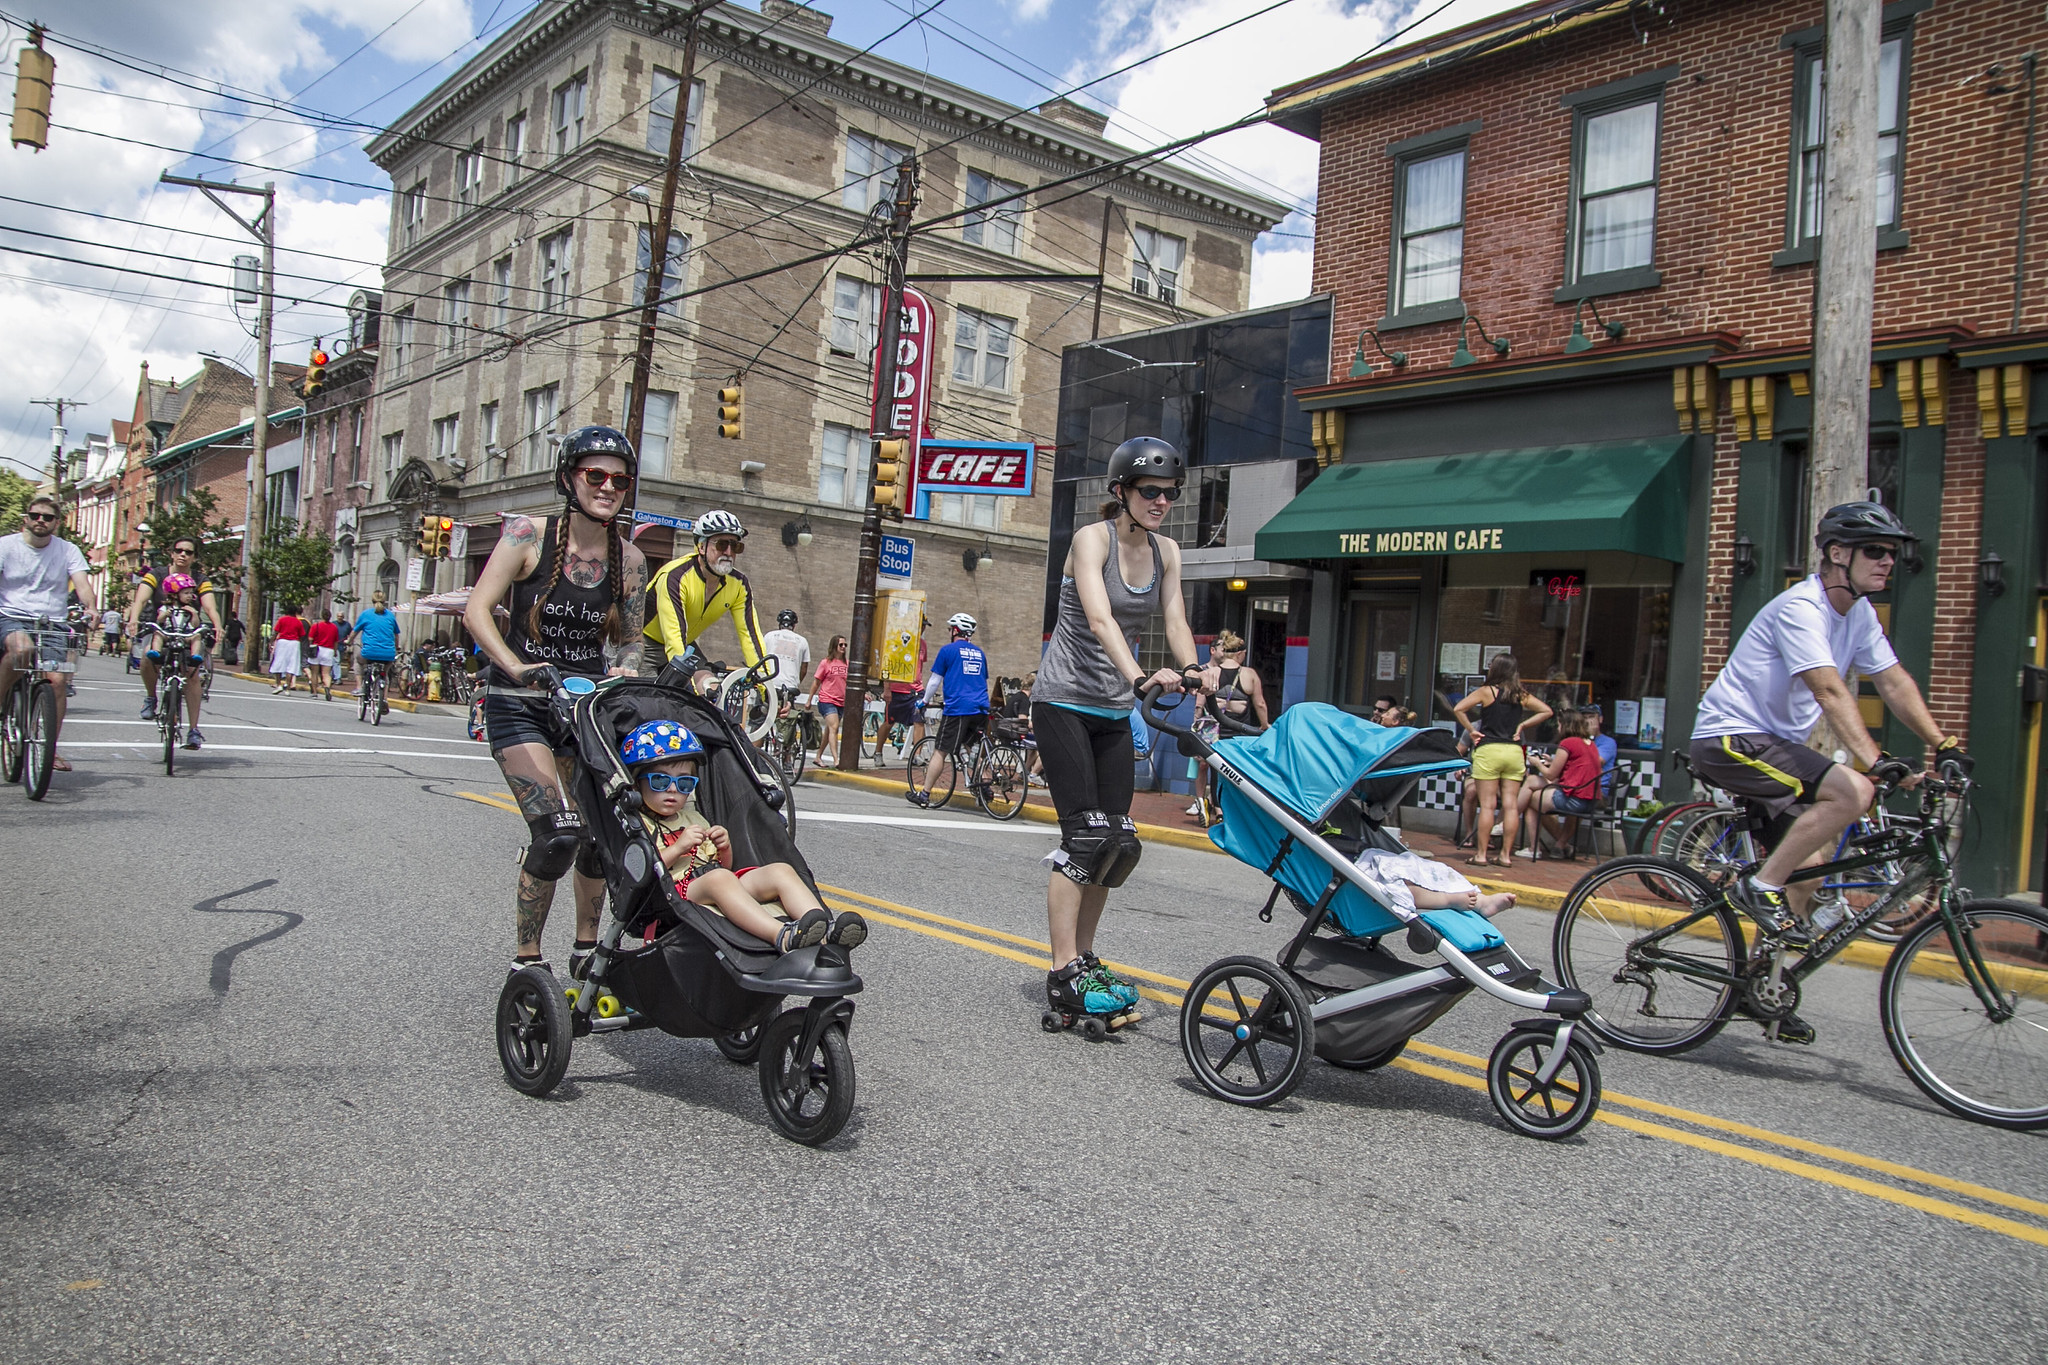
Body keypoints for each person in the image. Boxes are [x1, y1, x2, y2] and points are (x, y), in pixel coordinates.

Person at [1690, 501, 1965, 969]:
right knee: (1853, 790)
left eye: (1893, 553)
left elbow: (1894, 682)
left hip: (1771, 745)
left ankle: (1760, 984)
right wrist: (1873, 762)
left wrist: (1944, 745)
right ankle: (1758, 887)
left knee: (1808, 875)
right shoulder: (1802, 608)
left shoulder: (1860, 615)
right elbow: (1829, 690)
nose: (1888, 561)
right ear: (1838, 553)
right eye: (1875, 550)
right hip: (1730, 739)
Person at [1032, 436, 1213, 1021]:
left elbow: (1175, 617)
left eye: (1170, 494)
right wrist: (1138, 677)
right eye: (1150, 491)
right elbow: (1099, 618)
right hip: (1063, 701)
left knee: (1115, 843)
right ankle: (1062, 970)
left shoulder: (1167, 552)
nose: (1162, 502)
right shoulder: (1093, 539)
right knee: (1083, 837)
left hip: (1113, 710)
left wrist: (1193, 669)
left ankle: (1085, 959)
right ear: (1121, 491)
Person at [464, 425, 648, 980]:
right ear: (569, 478)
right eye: (596, 475)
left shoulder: (630, 559)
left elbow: (632, 639)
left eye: (619, 480)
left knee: (595, 837)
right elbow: (477, 610)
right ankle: (527, 959)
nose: (608, 487)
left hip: (584, 709)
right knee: (557, 833)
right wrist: (516, 666)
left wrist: (626, 667)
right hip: (520, 701)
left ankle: (585, 949)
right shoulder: (527, 534)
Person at [621, 720, 865, 951]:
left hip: (715, 880)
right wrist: (677, 848)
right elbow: (641, 871)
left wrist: (724, 848)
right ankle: (780, 936)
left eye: (684, 783)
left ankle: (823, 930)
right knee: (719, 879)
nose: (673, 790)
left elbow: (724, 868)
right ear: (636, 784)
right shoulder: (640, 824)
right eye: (660, 781)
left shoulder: (693, 817)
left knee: (780, 870)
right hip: (674, 893)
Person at [0, 495, 96, 773]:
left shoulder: (68, 550)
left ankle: (48, 750)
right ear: (26, 519)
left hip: (52, 622)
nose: (40, 520)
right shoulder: (6, 545)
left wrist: (91, 608)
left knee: (56, 681)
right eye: (35, 515)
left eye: (47, 517)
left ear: (57, 522)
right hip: (11, 616)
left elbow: (82, 584)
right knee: (22, 650)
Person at [642, 509, 765, 691]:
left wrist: (766, 686)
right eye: (722, 544)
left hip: (685, 644)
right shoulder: (675, 576)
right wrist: (689, 687)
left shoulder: (739, 584)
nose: (729, 552)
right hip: (645, 644)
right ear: (701, 546)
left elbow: (750, 635)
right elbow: (674, 637)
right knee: (652, 697)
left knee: (711, 688)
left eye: (735, 546)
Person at [1452, 654, 1552, 867]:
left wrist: (1471, 730)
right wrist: (1522, 725)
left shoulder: (1486, 691)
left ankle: (1481, 855)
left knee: (1488, 806)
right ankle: (1505, 855)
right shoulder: (1520, 694)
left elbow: (1458, 708)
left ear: (1495, 669)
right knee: (1511, 806)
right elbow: (1546, 711)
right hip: (1513, 752)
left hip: (1489, 750)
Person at [128, 535, 223, 722]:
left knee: (193, 674)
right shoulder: (156, 574)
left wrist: (218, 625)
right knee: (147, 656)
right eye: (179, 551)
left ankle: (193, 729)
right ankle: (151, 697)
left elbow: (210, 607)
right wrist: (133, 619)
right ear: (172, 554)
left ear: (194, 557)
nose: (183, 555)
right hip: (162, 629)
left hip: (188, 631)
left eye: (188, 552)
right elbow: (141, 600)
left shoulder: (200, 579)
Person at [907, 612, 991, 808]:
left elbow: (934, 681)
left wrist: (924, 702)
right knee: (973, 749)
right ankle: (986, 788)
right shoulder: (980, 653)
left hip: (958, 708)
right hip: (981, 708)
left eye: (950, 629)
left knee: (940, 751)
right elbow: (981, 680)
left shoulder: (947, 651)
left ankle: (924, 795)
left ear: (955, 630)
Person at [1187, 631, 1269, 820]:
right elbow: (1260, 704)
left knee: (1216, 770)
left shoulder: (1211, 673)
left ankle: (1216, 808)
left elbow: (1200, 703)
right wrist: (1264, 725)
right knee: (1237, 772)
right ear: (1240, 653)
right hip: (1239, 733)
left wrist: (1197, 724)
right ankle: (1229, 809)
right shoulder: (1249, 674)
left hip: (1215, 732)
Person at [1515, 708, 1601, 860]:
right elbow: (1575, 768)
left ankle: (1530, 845)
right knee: (1532, 785)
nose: (1557, 727)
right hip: (1590, 800)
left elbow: (1550, 775)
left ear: (1566, 725)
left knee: (1530, 799)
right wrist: (1552, 762)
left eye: (1559, 724)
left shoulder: (1568, 742)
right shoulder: (1590, 744)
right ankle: (1561, 845)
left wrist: (1537, 763)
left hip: (1574, 799)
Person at [144, 574, 215, 749]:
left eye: (192, 593)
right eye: (186, 593)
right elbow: (159, 621)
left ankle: (195, 656)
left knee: (197, 637)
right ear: (174, 594)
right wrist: (163, 616)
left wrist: (194, 614)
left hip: (185, 638)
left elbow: (196, 625)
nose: (190, 596)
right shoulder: (165, 608)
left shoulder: (191, 609)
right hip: (168, 636)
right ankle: (156, 653)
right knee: (157, 634)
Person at [351, 591, 402, 712]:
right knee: (384, 673)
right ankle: (384, 699)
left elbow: (355, 631)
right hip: (388, 654)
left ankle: (359, 687)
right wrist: (396, 647)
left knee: (358, 661)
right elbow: (396, 635)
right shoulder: (391, 616)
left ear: (372, 600)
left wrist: (348, 641)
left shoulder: (366, 614)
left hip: (369, 652)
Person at [812, 634, 849, 767]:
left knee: (829, 730)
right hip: (827, 700)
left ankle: (818, 756)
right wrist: (809, 699)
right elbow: (816, 682)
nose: (843, 647)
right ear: (834, 646)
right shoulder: (825, 663)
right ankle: (836, 760)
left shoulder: (847, 664)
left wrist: (864, 694)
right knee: (834, 727)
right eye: (841, 645)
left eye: (845, 645)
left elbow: (850, 683)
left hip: (841, 702)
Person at [762, 607, 810, 696]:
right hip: (790, 685)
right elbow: (804, 668)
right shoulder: (802, 641)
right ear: (794, 625)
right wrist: (796, 682)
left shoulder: (769, 636)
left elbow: (760, 658)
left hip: (770, 682)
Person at [269, 605, 308, 693]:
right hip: (294, 643)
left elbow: (276, 632)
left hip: (282, 642)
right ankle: (287, 688)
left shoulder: (282, 620)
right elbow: (301, 635)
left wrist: (271, 641)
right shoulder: (298, 622)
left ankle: (278, 684)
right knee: (291, 665)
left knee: (278, 662)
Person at [308, 609, 341, 701]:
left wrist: (310, 646)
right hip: (329, 650)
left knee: (314, 673)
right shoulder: (334, 627)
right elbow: (335, 641)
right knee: (326, 673)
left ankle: (314, 693)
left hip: (317, 649)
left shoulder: (316, 626)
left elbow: (310, 638)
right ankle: (327, 688)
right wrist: (335, 651)